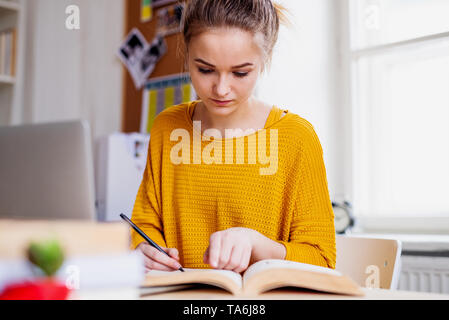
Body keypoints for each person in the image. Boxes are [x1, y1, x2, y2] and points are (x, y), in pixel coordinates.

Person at [130, 0, 336, 273]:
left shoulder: (297, 138)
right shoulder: (166, 128)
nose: (221, 89)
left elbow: (321, 259)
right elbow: (145, 227)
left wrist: (256, 244)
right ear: (187, 53)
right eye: (205, 69)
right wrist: (145, 250)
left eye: (240, 72)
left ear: (265, 58)